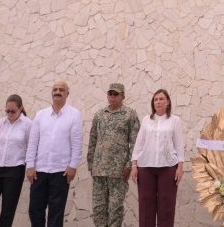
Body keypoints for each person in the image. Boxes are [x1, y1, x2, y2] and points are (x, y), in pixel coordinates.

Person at [26, 80, 84, 227]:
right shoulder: (41, 115)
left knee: (56, 213)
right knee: (35, 210)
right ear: (52, 93)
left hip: (61, 171)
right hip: (39, 171)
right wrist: (30, 165)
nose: (57, 92)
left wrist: (73, 166)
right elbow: (33, 142)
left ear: (67, 94)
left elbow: (77, 143)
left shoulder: (74, 114)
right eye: (55, 89)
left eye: (61, 90)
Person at [88, 83, 140, 227]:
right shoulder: (99, 115)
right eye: (110, 94)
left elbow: (135, 142)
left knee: (115, 210)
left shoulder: (130, 114)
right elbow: (93, 139)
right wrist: (91, 164)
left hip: (118, 172)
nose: (112, 96)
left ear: (123, 96)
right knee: (98, 209)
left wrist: (129, 164)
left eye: (116, 94)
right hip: (99, 170)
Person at [130, 89, 183, 227]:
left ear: (168, 102)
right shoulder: (147, 120)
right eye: (155, 99)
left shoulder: (175, 121)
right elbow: (139, 144)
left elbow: (179, 145)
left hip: (168, 168)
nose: (158, 102)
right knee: (146, 206)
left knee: (166, 206)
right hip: (145, 168)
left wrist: (180, 167)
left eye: (161, 99)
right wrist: (134, 165)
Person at [0, 95, 32, 227]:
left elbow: (30, 147)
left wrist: (29, 167)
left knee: (8, 210)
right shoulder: (0, 122)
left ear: (20, 108)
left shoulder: (28, 124)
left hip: (15, 169)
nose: (9, 114)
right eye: (7, 111)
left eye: (13, 111)